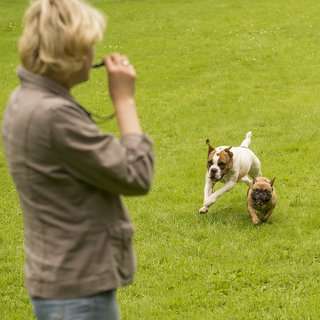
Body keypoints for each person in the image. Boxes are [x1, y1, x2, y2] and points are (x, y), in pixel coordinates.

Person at [2, 0, 154, 319]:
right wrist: (124, 100)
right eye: (88, 45)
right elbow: (137, 174)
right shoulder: (53, 115)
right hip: (77, 294)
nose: (93, 53)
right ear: (68, 53)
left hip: (59, 281)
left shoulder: (23, 100)